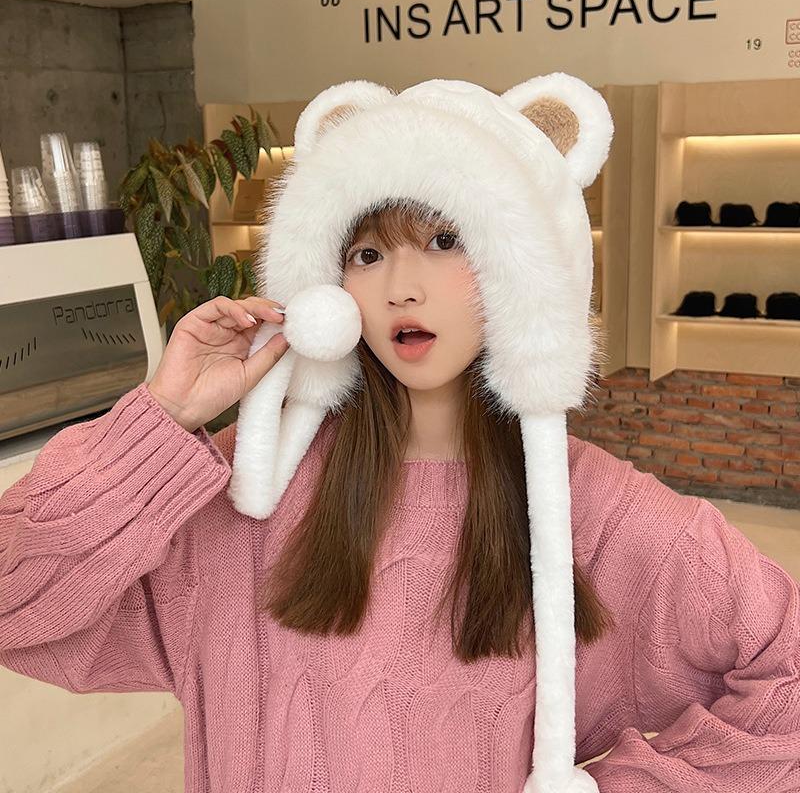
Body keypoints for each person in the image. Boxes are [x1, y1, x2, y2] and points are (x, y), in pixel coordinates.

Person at [2, 74, 799, 793]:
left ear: (522, 268)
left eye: (446, 241)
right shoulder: (251, 490)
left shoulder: (590, 511)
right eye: (368, 252)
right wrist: (162, 420)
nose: (401, 287)